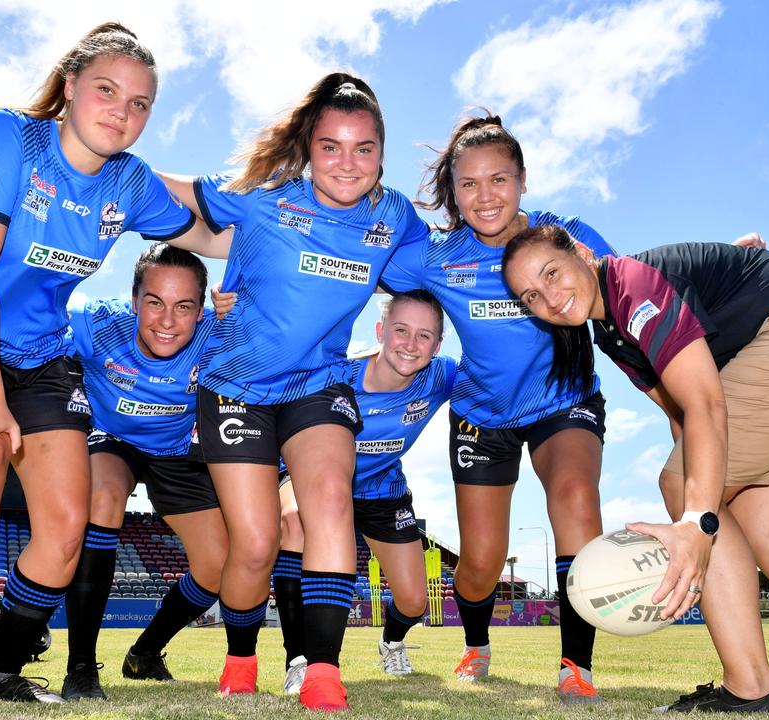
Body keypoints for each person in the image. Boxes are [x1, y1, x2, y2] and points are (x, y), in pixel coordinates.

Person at [0, 23, 223, 720]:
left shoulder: (129, 181)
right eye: (107, 90)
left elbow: (215, 233)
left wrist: (313, 233)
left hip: (43, 357)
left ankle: (1, 672)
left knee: (67, 531)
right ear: (71, 86)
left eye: (140, 104)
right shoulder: (9, 137)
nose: (122, 112)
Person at [501, 229, 769, 712]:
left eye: (552, 274)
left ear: (583, 254)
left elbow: (706, 405)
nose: (550, 298)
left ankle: (750, 686)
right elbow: (682, 416)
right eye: (531, 297)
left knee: (685, 489)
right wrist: (704, 503)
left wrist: (697, 519)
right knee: (758, 529)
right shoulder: (611, 332)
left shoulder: (633, 285)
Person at [156, 72, 428, 711]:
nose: (347, 163)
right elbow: (166, 194)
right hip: (236, 388)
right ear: (308, 149)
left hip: (319, 384)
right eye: (330, 146)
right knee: (253, 544)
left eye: (364, 148)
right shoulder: (263, 198)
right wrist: (91, 152)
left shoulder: (393, 218)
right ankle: (242, 655)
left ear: (382, 155)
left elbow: (449, 264)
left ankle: (325, 672)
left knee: (328, 502)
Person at [0, 243, 230, 701]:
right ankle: (81, 667)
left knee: (218, 568)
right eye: (154, 302)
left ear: (201, 311)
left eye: (184, 307)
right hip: (110, 441)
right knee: (97, 502)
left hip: (175, 450)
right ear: (135, 300)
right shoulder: (94, 320)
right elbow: (12, 317)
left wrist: (239, 301)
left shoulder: (220, 334)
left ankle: (145, 650)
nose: (166, 320)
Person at [378, 114, 614, 704]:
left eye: (499, 179)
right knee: (480, 562)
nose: (486, 197)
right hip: (482, 416)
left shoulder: (565, 236)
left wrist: (718, 269)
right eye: (469, 185)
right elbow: (356, 271)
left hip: (565, 402)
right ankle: (477, 643)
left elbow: (632, 284)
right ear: (453, 193)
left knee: (576, 501)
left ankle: (575, 666)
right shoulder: (438, 258)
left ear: (523, 179)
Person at [252, 290, 456, 690]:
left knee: (414, 601)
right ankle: (300, 659)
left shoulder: (441, 376)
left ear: (438, 344)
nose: (411, 345)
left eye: (424, 335)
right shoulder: (336, 375)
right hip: (311, 479)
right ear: (380, 330)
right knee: (295, 520)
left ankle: (392, 642)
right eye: (400, 330)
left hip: (381, 490)